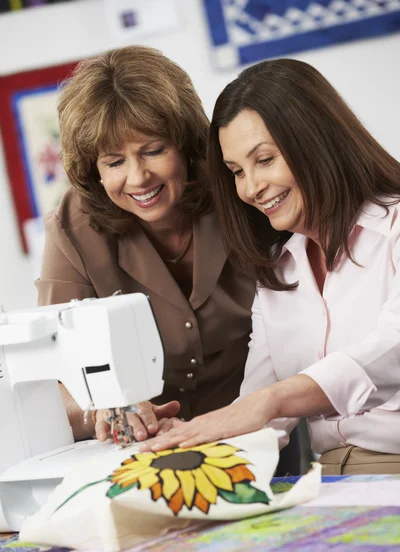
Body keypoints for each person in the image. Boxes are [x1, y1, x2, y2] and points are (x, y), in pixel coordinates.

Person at [141, 58, 400, 476]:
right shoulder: (279, 273)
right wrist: (188, 440)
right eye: (236, 172)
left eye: (264, 160)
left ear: (318, 141)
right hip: (331, 481)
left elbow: (391, 352)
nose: (250, 188)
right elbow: (258, 419)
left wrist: (274, 400)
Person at [37, 46, 257, 446]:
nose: (138, 178)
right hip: (142, 450)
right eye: (114, 162)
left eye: (153, 150)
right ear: (93, 169)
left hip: (257, 429)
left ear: (185, 147)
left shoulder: (241, 189)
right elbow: (49, 378)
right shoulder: (73, 227)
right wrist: (100, 404)